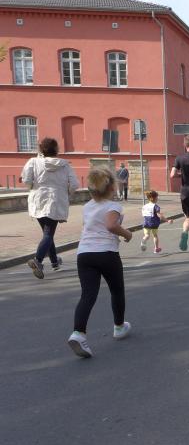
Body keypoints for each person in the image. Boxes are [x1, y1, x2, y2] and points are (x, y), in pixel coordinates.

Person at [67, 166, 133, 358]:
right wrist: (127, 234)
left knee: (87, 295)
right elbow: (111, 225)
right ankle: (119, 327)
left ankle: (78, 333)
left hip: (84, 254)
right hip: (106, 253)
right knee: (116, 290)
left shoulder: (87, 207)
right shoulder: (113, 206)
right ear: (112, 187)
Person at [21, 137, 79, 279]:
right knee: (48, 233)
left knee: (47, 233)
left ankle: (54, 262)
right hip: (55, 200)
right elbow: (74, 184)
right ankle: (38, 260)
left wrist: (33, 187)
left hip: (38, 199)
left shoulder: (33, 162)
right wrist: (66, 192)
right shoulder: (64, 165)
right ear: (56, 149)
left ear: (41, 149)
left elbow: (26, 180)